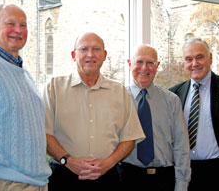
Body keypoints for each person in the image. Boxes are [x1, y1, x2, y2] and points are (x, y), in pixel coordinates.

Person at [43, 32, 145, 189]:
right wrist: (67, 160)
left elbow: (130, 137)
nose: (90, 54)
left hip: (108, 177)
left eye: (96, 49)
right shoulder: (54, 88)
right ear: (73, 55)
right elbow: (44, 133)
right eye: (83, 49)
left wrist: (108, 163)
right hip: (63, 176)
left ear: (104, 55)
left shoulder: (120, 92)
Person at [0, 4, 51, 190]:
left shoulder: (24, 73)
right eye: (10, 23)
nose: (18, 30)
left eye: (23, 25)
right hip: (5, 184)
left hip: (36, 182)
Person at [170, 37, 219, 191]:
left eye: (199, 57)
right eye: (188, 59)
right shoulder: (174, 94)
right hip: (186, 174)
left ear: (210, 58)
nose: (194, 64)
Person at [121, 44, 191, 190]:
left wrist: (182, 184)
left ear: (157, 65)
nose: (144, 68)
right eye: (139, 62)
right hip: (127, 178)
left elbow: (181, 147)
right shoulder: (117, 100)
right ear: (129, 64)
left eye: (150, 62)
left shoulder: (172, 101)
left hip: (163, 179)